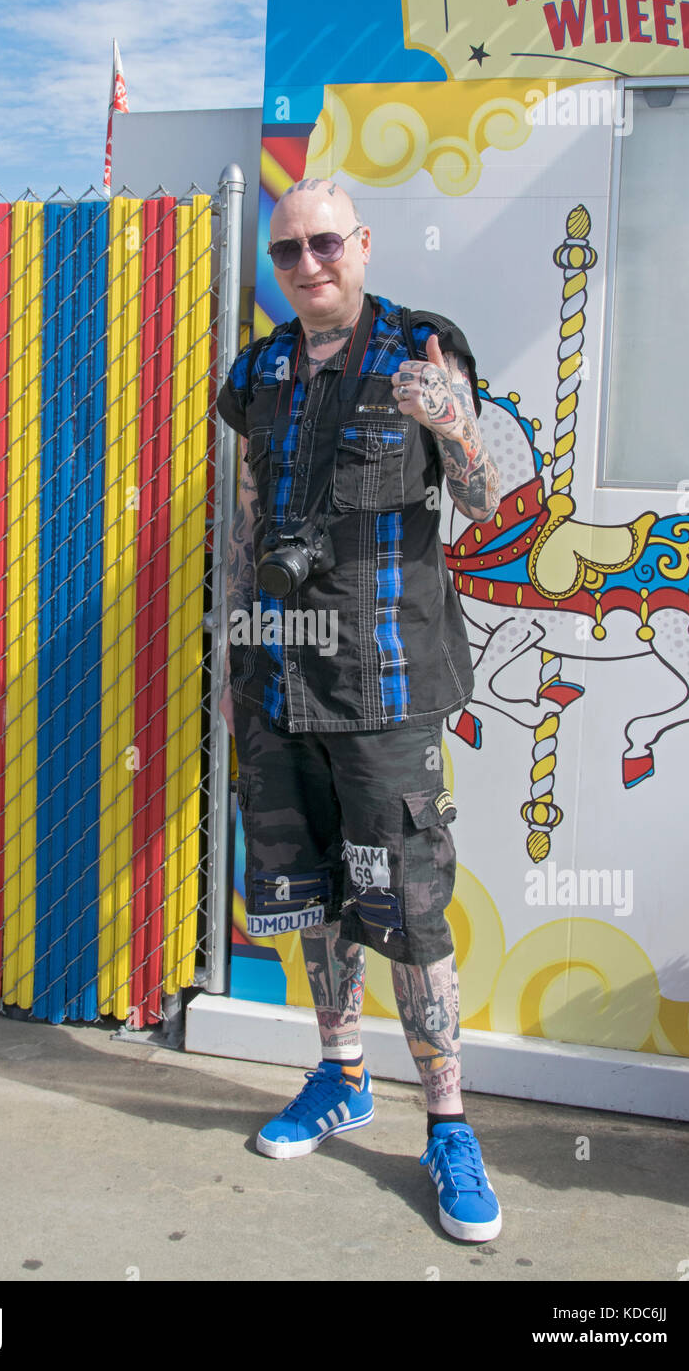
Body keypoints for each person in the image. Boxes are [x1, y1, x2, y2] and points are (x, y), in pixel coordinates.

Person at [215, 178, 503, 1243]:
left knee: (411, 909)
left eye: (324, 242)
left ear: (363, 244)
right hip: (276, 678)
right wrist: (237, 642)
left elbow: (479, 500)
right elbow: (250, 513)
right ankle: (338, 1072)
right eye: (286, 250)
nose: (306, 264)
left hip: (382, 682)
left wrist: (455, 427)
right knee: (304, 893)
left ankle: (447, 1125)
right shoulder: (256, 370)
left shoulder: (422, 349)